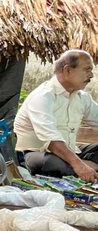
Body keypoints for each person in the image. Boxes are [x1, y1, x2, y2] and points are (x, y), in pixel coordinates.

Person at [14, 50, 98, 183]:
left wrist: (80, 163)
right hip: (33, 155)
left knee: (78, 158)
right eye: (87, 70)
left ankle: (85, 167)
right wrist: (80, 165)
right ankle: (83, 167)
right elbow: (52, 142)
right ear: (67, 70)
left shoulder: (82, 97)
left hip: (69, 153)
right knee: (56, 164)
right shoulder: (43, 96)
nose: (91, 75)